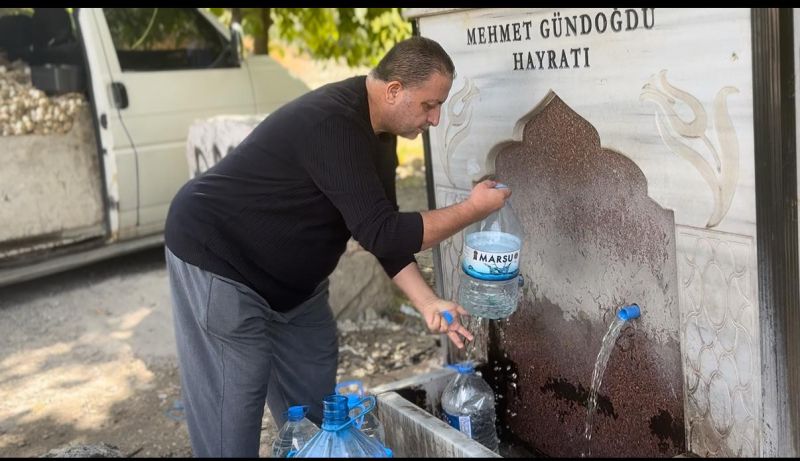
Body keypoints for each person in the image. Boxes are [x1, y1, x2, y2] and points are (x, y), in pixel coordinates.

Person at [164, 35, 511, 457]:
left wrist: (427, 303)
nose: (436, 119)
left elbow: (381, 234)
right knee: (231, 420)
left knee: (317, 422)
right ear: (394, 90)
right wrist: (473, 210)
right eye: (429, 105)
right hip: (221, 258)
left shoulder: (380, 136)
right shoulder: (331, 122)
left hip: (297, 293)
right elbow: (384, 232)